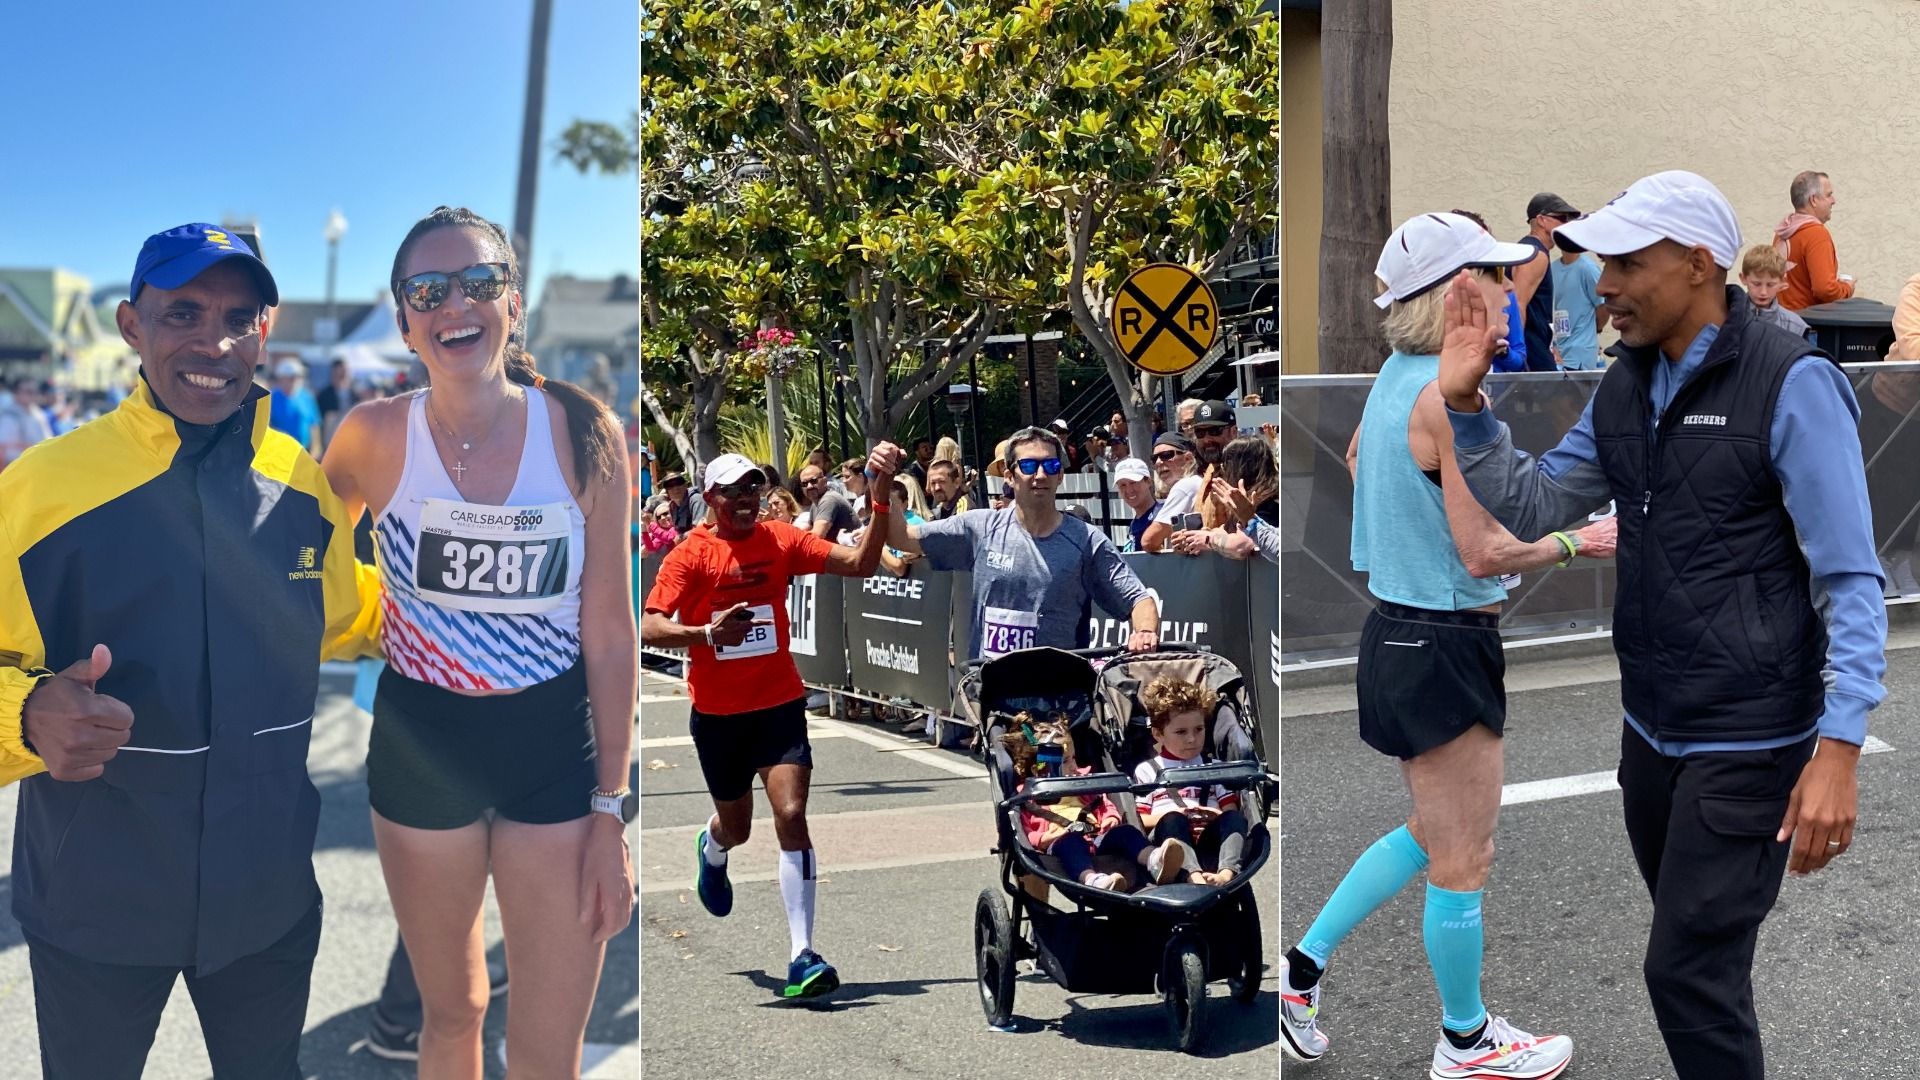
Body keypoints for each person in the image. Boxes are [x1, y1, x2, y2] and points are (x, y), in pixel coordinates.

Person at [1442, 171, 1887, 1080]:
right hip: (1650, 731)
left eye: (1624, 263)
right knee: (1707, 967)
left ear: (1697, 265)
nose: (1602, 284)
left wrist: (1839, 748)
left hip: (1753, 736)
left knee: (1683, 971)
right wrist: (1465, 408)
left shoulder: (1792, 382)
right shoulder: (1626, 386)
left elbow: (1850, 576)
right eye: (1601, 262)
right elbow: (1535, 503)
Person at [0, 222, 382, 1078]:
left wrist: (495, 618)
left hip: (268, 900)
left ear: (264, 333)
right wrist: (25, 714)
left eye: (239, 317)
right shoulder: (40, 490)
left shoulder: (300, 481)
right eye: (184, 314)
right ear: (133, 326)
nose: (215, 342)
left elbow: (349, 616)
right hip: (97, 904)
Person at [1281, 210, 1616, 1079]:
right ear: (1459, 293)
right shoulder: (1444, 392)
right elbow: (1486, 551)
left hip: (1397, 632)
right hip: (1443, 640)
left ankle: (1300, 972)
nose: (1515, 293)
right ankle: (1466, 1043)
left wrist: (1407, 530)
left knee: (1431, 835)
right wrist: (1588, 540)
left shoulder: (1398, 372)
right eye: (1499, 278)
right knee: (1464, 856)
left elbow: (1360, 455)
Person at [320, 206, 637, 1078]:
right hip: (423, 745)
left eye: (478, 282)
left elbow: (609, 637)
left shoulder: (582, 432)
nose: (454, 304)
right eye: (428, 289)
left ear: (512, 299)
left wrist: (613, 809)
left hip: (552, 752)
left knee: (545, 1044)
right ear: (404, 319)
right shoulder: (373, 436)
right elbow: (297, 564)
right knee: (453, 1014)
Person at [642, 446, 904, 999]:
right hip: (717, 716)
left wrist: (879, 500)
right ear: (710, 498)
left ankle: (801, 954)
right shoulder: (691, 555)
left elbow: (857, 565)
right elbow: (649, 626)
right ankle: (712, 850)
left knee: (790, 812)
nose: (745, 499)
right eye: (733, 491)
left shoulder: (781, 539)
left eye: (752, 488)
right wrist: (708, 633)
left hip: (779, 704)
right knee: (736, 826)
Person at [882, 425, 1160, 660]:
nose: (1040, 475)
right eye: (1028, 466)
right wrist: (882, 480)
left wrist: (1145, 632)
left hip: (1059, 706)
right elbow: (900, 537)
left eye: (1050, 466)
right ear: (1009, 476)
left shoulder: (1086, 540)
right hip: (992, 702)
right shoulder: (980, 527)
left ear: (1060, 475)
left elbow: (1139, 600)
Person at [1001, 714, 1187, 891]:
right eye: (1065, 761)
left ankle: (1155, 860)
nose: (1074, 766)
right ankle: (1094, 880)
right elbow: (1027, 832)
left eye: (1073, 757)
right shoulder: (1030, 795)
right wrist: (1044, 839)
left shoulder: (1084, 781)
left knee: (1125, 832)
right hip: (1060, 844)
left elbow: (1104, 803)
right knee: (1071, 844)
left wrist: (1110, 817)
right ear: (1039, 768)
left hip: (1098, 836)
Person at [1133, 676, 1246, 886]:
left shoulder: (1214, 766)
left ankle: (1226, 873)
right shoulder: (1148, 770)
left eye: (1199, 730)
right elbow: (1142, 820)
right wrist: (1181, 814)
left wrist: (1213, 814)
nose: (1192, 739)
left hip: (1209, 836)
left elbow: (1229, 807)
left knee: (1233, 818)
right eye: (1181, 732)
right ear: (1158, 734)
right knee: (1173, 819)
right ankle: (1192, 875)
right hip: (1170, 840)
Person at [1514, 193, 1582, 370]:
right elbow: (1518, 303)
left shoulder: (1525, 250)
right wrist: (1518, 354)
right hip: (1531, 351)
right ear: (1542, 220)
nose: (1566, 224)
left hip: (1535, 347)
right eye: (1561, 218)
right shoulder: (1536, 255)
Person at [1776, 170, 1854, 311]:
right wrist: (1847, 288)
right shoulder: (1816, 234)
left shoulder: (1783, 231)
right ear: (1813, 200)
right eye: (1829, 195)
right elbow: (1825, 289)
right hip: (1808, 324)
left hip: (1780, 320)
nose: (1833, 201)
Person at [1139, 431, 1203, 552]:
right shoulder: (1197, 482)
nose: (1158, 462)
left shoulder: (1185, 486)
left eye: (1166, 455)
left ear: (1188, 458)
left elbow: (1149, 541)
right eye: (1154, 458)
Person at [1551, 247, 1609, 369]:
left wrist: (1595, 330)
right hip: (1558, 351)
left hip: (1581, 353)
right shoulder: (1552, 269)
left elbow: (1603, 306)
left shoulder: (1588, 269)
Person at [1738, 244, 1812, 340]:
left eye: (1770, 285)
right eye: (1756, 284)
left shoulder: (1795, 326)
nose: (1763, 292)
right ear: (1743, 278)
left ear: (1782, 282)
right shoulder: (1728, 317)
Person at [797, 461, 860, 541]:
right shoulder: (815, 503)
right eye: (804, 484)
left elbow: (817, 536)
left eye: (813, 481)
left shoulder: (829, 499)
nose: (809, 486)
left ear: (825, 480)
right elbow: (806, 529)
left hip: (849, 550)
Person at [268, 358, 320, 454]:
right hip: (278, 452)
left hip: (303, 451)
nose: (295, 380)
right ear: (281, 379)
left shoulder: (307, 397)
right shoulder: (271, 398)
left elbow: (314, 425)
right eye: (291, 377)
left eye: (298, 377)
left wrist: (315, 449)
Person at [0, 375, 53, 469]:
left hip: (37, 466)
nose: (33, 394)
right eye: (28, 391)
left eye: (35, 391)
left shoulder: (39, 415)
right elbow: (3, 450)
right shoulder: (8, 417)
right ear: (16, 393)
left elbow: (48, 440)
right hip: (15, 469)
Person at [1113, 457, 1159, 551]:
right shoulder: (1135, 522)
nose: (1129, 490)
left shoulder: (1160, 517)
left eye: (1133, 483)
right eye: (1123, 485)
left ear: (1148, 482)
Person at [315, 357, 355, 448]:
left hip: (350, 441)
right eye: (339, 373)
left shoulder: (354, 394)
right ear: (333, 373)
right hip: (330, 443)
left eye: (345, 372)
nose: (342, 375)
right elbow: (318, 422)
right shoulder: (324, 395)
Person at [1190, 399, 1235, 467]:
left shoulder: (1251, 466)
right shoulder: (1194, 472)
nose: (1207, 440)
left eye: (1214, 431)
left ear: (1233, 432)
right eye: (1200, 432)